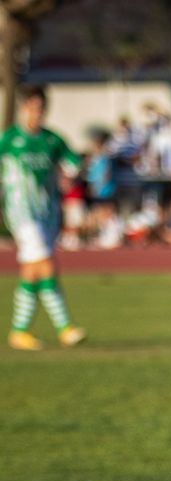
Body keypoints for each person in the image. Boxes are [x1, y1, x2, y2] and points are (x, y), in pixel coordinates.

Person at [2, 85, 86, 349]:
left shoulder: (52, 140)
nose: (36, 114)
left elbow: (74, 164)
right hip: (21, 211)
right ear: (23, 109)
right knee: (46, 264)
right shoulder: (9, 140)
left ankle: (19, 330)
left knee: (33, 269)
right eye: (32, 108)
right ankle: (65, 327)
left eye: (40, 109)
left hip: (47, 211)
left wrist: (70, 174)